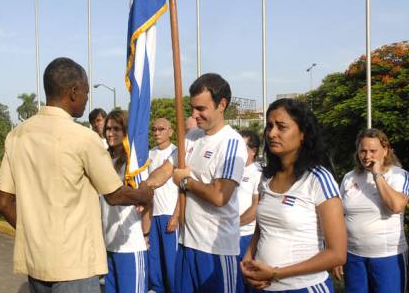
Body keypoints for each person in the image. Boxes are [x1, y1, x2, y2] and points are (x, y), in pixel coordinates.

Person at [0, 57, 153, 293]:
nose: (87, 99)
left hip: (37, 262)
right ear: (73, 91)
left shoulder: (17, 136)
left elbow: (3, 202)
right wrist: (145, 194)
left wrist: (36, 237)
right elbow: (115, 195)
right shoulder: (84, 138)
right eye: (86, 93)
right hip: (75, 266)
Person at [145, 73, 247, 292]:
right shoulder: (191, 137)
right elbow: (166, 170)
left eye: (201, 108)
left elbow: (220, 196)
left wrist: (186, 182)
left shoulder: (231, 142)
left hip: (215, 250)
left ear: (222, 104)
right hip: (186, 244)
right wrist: (144, 189)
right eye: (192, 108)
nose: (194, 114)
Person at [241, 98, 346, 292]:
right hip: (264, 287)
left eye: (281, 127)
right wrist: (248, 257)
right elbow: (261, 228)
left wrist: (276, 273)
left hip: (305, 287)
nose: (271, 133)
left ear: (302, 134)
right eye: (269, 126)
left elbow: (337, 254)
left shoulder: (318, 179)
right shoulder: (267, 178)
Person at [333, 128, 409, 293]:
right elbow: (339, 216)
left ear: (385, 150)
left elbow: (396, 206)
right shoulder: (349, 177)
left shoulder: (399, 175)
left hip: (387, 257)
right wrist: (337, 254)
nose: (367, 156)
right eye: (363, 151)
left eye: (373, 151)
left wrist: (377, 175)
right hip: (353, 257)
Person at [99, 110, 149, 293]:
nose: (110, 133)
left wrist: (146, 233)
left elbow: (148, 197)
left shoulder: (135, 163)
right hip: (109, 243)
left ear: (126, 131)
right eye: (108, 129)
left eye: (116, 129)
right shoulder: (102, 159)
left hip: (130, 245)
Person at [148, 118, 179, 293]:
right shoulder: (149, 154)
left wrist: (176, 216)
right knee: (155, 258)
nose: (157, 132)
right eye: (154, 129)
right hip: (153, 214)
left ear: (171, 131)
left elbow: (184, 190)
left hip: (169, 213)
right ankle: (157, 288)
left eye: (161, 129)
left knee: (171, 260)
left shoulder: (176, 153)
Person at [236, 130, 261, 293]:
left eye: (242, 147)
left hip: (247, 236)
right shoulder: (232, 169)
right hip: (230, 235)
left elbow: (256, 207)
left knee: (249, 282)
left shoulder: (258, 172)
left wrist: (233, 223)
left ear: (253, 150)